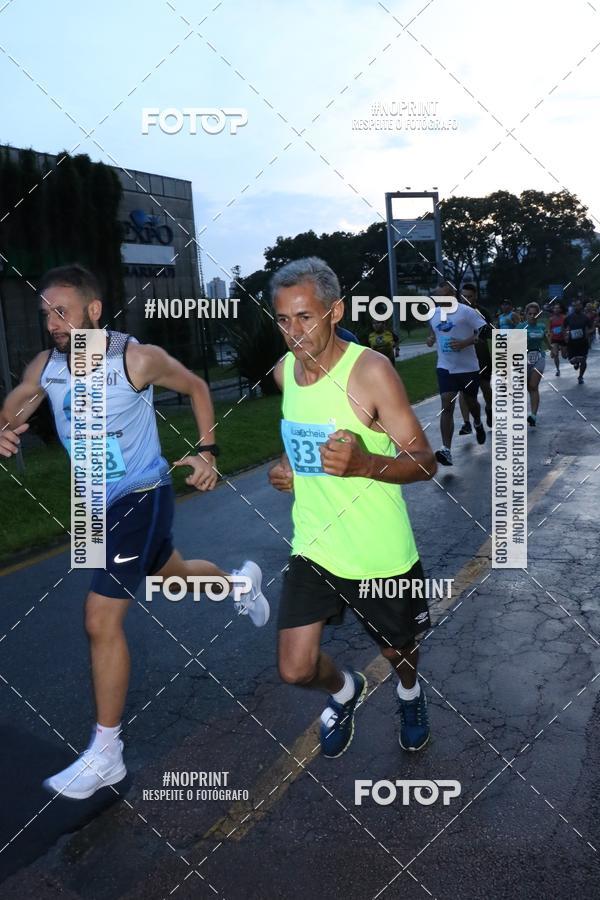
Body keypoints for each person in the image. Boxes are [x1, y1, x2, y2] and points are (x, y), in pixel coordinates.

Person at [0, 264, 269, 800]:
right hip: (92, 505)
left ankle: (107, 754)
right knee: (175, 572)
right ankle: (239, 585)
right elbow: (23, 397)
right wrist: (4, 426)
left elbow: (194, 385)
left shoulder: (133, 359)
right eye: (45, 313)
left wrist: (208, 450)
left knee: (99, 618)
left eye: (62, 311)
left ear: (93, 311)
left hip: (142, 496)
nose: (52, 323)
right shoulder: (48, 365)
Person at [268, 257, 437, 757]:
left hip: (378, 550)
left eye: (305, 317)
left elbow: (424, 460)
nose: (293, 332)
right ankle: (346, 690)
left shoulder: (370, 371)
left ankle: (409, 694)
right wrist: (286, 468)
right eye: (282, 319)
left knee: (398, 650)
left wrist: (365, 464)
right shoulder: (284, 374)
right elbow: (297, 439)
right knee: (295, 668)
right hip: (315, 545)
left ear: (335, 310)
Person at [426, 282, 487, 467]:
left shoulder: (466, 311)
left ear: (452, 293)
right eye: (437, 297)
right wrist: (430, 339)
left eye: (443, 295)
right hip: (445, 367)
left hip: (468, 368)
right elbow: (433, 333)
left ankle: (477, 421)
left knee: (471, 402)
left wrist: (464, 343)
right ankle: (446, 449)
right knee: (447, 403)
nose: (440, 300)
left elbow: (483, 332)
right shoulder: (433, 314)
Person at [456, 283, 493, 434]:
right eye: (464, 296)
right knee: (463, 392)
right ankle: (466, 423)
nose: (466, 299)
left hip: (481, 357)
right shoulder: (455, 312)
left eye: (470, 296)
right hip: (463, 358)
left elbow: (491, 332)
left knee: (485, 387)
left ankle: (490, 409)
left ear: (475, 296)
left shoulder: (482, 312)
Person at [517, 302, 549, 426]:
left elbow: (545, 339)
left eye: (535, 314)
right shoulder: (520, 327)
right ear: (525, 314)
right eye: (529, 314)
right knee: (527, 388)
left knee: (533, 386)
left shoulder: (541, 326)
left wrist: (552, 349)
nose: (532, 316)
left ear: (539, 314)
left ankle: (533, 416)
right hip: (523, 359)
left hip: (539, 358)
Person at [565, 298, 592, 384]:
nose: (577, 307)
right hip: (572, 344)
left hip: (583, 343)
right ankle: (576, 363)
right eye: (575, 305)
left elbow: (591, 328)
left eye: (578, 305)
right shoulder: (569, 317)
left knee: (583, 360)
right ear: (573, 307)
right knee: (572, 361)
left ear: (581, 306)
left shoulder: (585, 318)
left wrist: (588, 332)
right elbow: (563, 327)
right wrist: (565, 335)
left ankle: (580, 377)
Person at [548, 302, 567, 376]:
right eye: (555, 308)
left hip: (562, 338)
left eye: (558, 308)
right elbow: (549, 329)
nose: (556, 309)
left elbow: (567, 327)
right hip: (554, 338)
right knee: (555, 355)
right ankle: (558, 370)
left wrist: (565, 333)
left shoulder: (564, 317)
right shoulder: (551, 318)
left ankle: (567, 352)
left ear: (560, 309)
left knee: (564, 356)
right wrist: (550, 334)